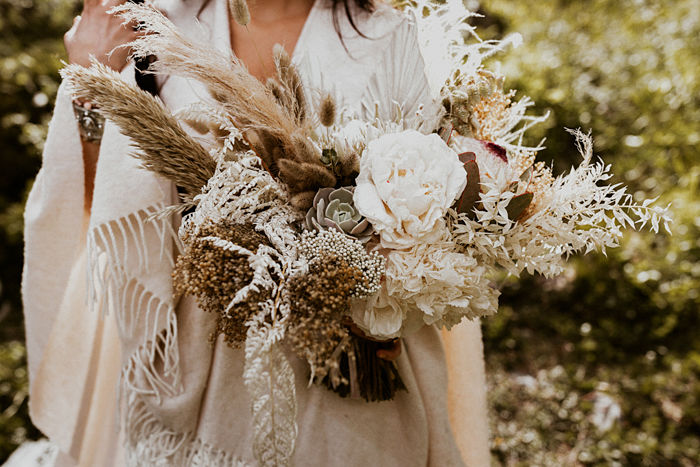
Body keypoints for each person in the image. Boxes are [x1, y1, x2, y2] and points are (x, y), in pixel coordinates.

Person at [19, 0, 491, 465]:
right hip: (195, 345)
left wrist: (382, 295)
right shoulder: (153, 25)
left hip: (346, 356)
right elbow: (97, 197)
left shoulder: (386, 36)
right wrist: (89, 82)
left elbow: (423, 206)